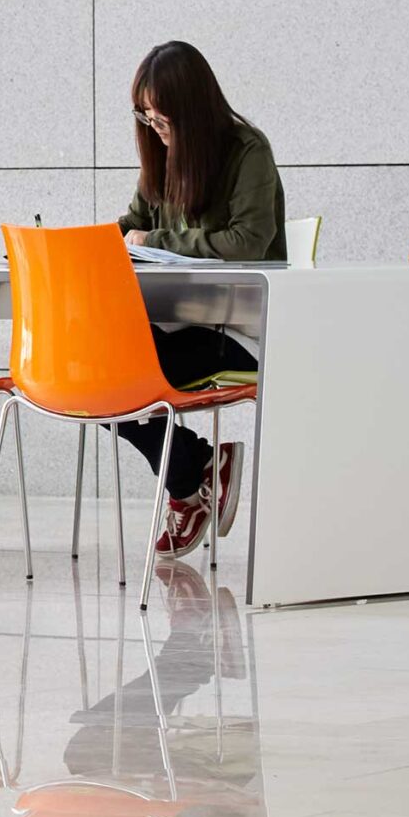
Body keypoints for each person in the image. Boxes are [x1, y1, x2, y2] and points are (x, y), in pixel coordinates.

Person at [116, 41, 283, 561]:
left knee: (120, 371)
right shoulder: (161, 160)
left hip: (238, 333)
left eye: (162, 117)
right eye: (145, 117)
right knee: (94, 364)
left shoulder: (246, 152)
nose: (154, 128)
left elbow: (246, 243)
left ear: (191, 108)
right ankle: (194, 473)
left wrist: (155, 242)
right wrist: (88, 247)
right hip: (181, 325)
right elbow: (132, 225)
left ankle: (189, 484)